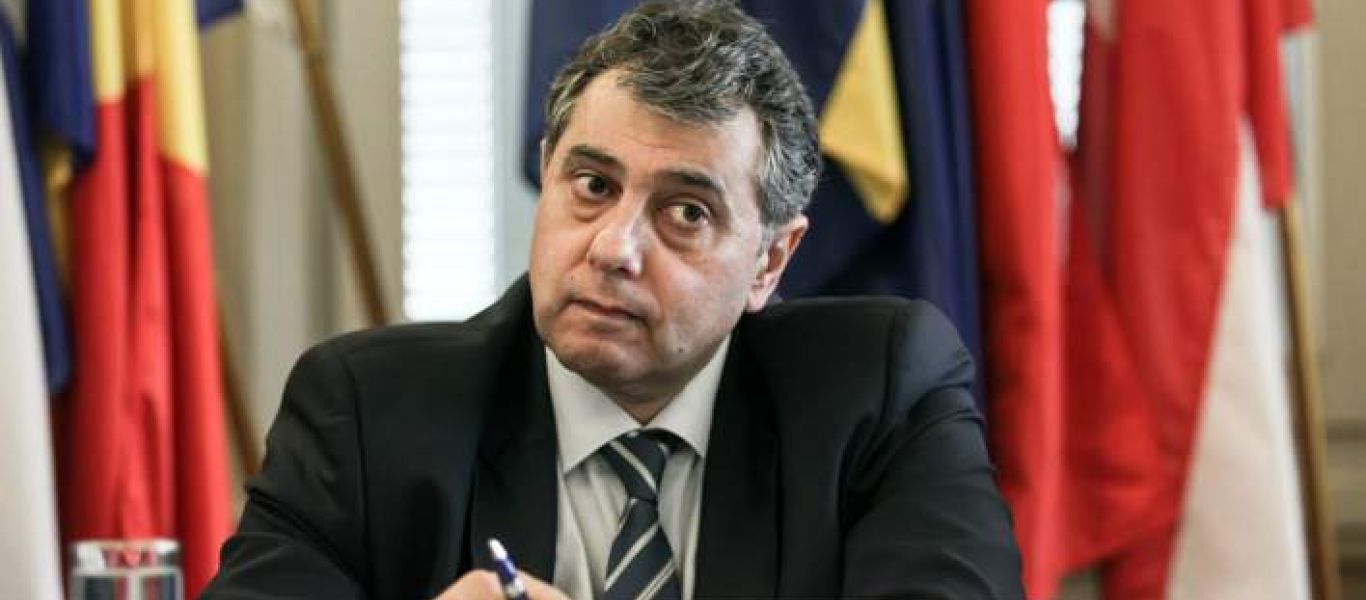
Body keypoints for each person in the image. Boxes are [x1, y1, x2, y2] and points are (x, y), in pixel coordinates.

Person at [204, 1, 1023, 598]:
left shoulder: (879, 395)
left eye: (686, 213)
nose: (613, 249)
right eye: (593, 186)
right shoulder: (368, 411)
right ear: (547, 174)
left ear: (771, 261)